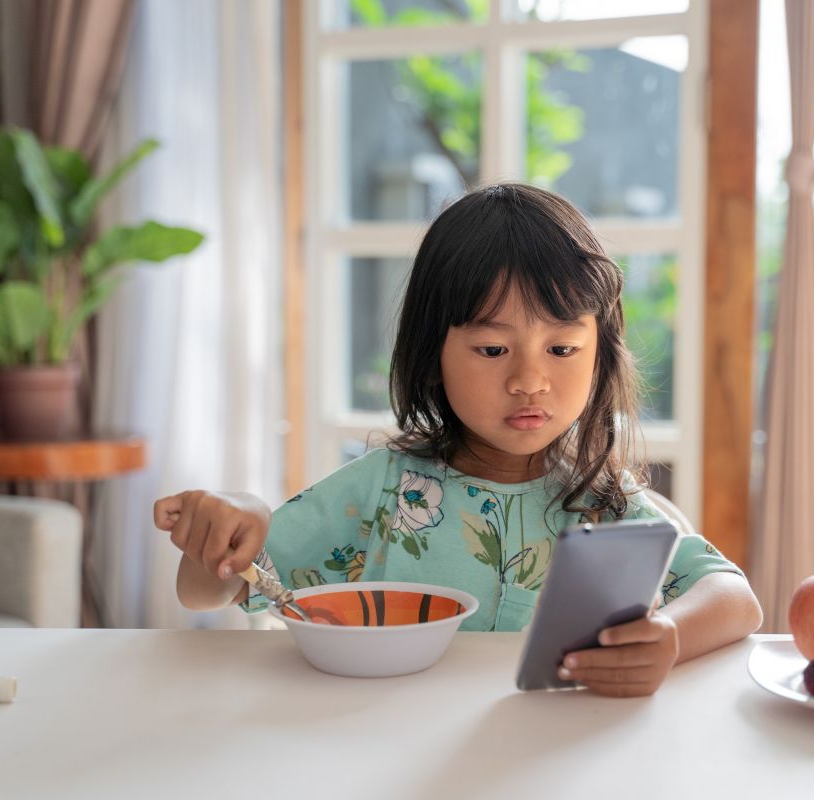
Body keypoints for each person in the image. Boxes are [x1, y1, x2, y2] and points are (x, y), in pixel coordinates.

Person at [154, 183, 762, 697]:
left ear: (599, 356)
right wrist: (234, 521)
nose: (529, 380)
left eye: (563, 348)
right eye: (493, 349)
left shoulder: (603, 502)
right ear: (431, 356)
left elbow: (735, 598)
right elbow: (207, 591)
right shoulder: (384, 491)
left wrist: (671, 638)